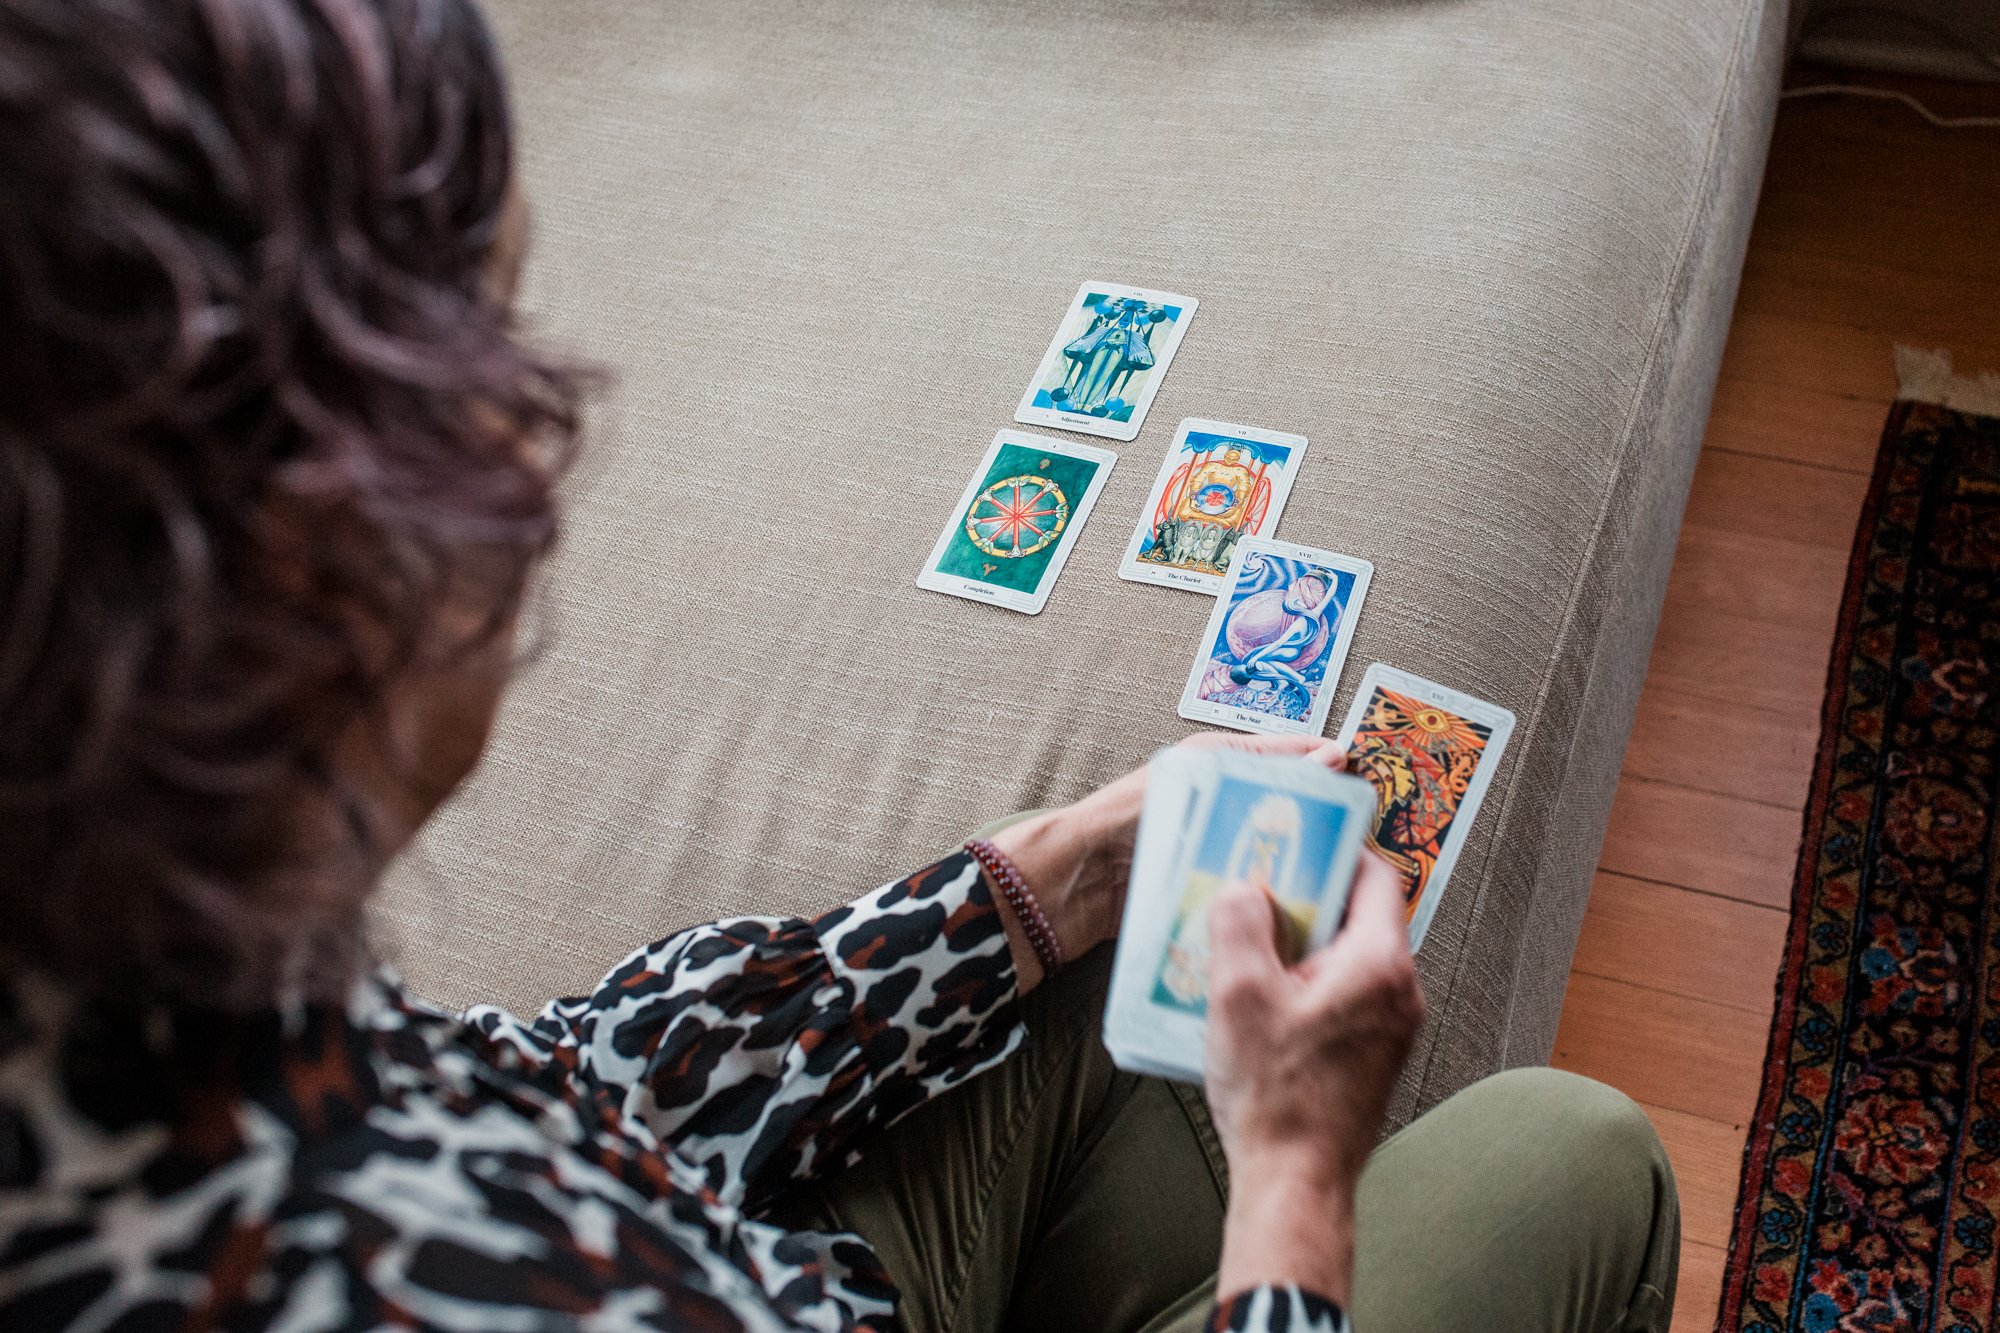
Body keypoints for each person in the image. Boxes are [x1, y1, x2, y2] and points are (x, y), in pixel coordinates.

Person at [0, 2, 1680, 1331]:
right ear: (308, 586)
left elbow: (547, 1089)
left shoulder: (145, 973)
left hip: (772, 1264)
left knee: (1151, 931)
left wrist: (1036, 880)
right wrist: (1296, 1200)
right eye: (501, 385)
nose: (542, 477)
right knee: (1578, 1165)